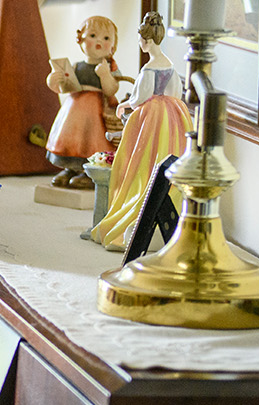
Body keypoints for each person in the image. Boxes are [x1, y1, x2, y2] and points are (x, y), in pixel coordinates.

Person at [88, 12, 193, 251]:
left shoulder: (148, 69)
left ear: (146, 41)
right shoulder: (169, 64)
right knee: (166, 151)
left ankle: (139, 209)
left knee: (141, 160)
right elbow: (175, 92)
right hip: (172, 117)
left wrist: (125, 104)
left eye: (139, 40)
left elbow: (139, 98)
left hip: (151, 118)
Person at [43, 15, 123, 189]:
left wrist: (105, 75)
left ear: (113, 46)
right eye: (93, 36)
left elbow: (111, 89)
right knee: (70, 139)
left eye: (106, 38)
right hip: (73, 111)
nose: (99, 42)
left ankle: (90, 172)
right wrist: (53, 79)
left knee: (91, 142)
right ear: (81, 40)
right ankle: (70, 168)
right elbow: (63, 85)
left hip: (95, 114)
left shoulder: (109, 68)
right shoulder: (77, 66)